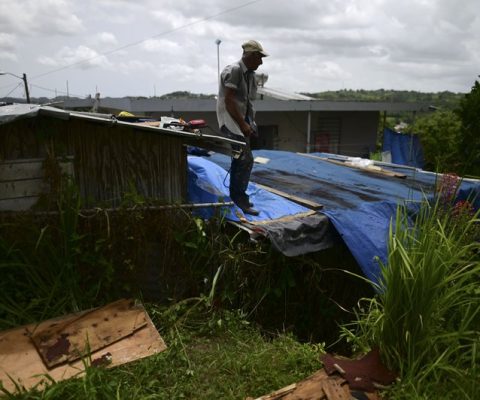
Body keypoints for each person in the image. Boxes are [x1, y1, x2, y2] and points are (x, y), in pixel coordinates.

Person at [216, 39, 268, 216]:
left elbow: (247, 102)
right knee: (245, 159)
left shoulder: (250, 75)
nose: (260, 62)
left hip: (241, 123)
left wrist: (251, 123)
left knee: (242, 159)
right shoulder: (235, 70)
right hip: (231, 122)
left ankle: (236, 196)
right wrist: (243, 124)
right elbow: (229, 101)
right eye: (259, 58)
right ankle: (239, 199)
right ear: (251, 55)